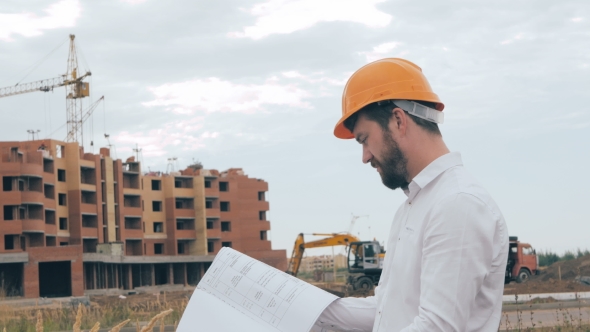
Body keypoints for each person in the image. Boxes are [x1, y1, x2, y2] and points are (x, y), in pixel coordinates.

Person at [313, 58, 508, 331]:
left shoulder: (457, 203)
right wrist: (305, 310)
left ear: (398, 120)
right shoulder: (412, 208)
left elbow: (437, 327)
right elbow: (385, 311)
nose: (365, 156)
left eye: (364, 139)